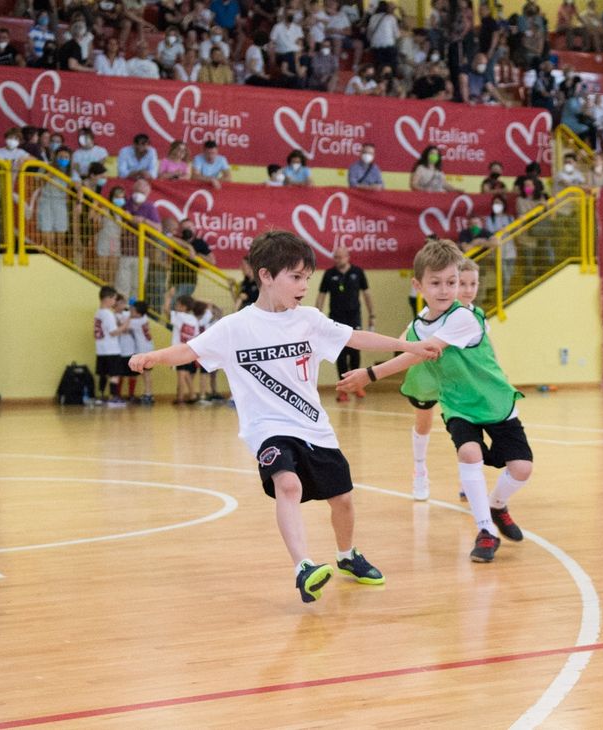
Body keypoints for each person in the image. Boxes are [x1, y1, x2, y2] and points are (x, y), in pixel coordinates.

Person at [130, 230, 440, 602]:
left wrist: (406, 345)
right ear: (265, 276)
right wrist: (153, 357)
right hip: (267, 429)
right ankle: (303, 567)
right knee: (288, 485)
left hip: (313, 425)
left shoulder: (308, 319)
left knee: (342, 499)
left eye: (307, 278)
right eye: (295, 277)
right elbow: (189, 350)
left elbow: (355, 337)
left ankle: (347, 555)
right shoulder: (235, 327)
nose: (304, 285)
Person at [338, 239, 532, 563]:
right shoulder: (417, 326)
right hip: (458, 404)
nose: (445, 290)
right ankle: (485, 530)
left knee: (522, 469)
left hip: (496, 402)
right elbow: (409, 348)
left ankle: (497, 505)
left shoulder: (464, 318)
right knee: (469, 453)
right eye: (436, 283)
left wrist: (370, 374)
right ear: (418, 285)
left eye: (452, 283)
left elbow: (419, 353)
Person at [405, 255, 482, 501]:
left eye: (473, 284)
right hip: (426, 378)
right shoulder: (428, 316)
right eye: (463, 284)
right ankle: (420, 470)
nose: (467, 290)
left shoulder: (475, 316)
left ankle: (466, 481)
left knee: (466, 430)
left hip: (459, 381)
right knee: (423, 424)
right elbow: (404, 341)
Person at [314, 245, 375, 401]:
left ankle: (357, 385)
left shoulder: (357, 272)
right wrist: (315, 316)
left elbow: (367, 294)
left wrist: (372, 315)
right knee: (339, 354)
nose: (338, 260)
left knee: (355, 352)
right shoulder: (329, 274)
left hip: (354, 317)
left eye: (341, 256)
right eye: (335, 257)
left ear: (348, 257)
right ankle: (343, 389)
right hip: (336, 318)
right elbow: (321, 296)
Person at [94, 285, 131, 405]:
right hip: (111, 349)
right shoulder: (108, 314)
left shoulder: (98, 313)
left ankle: (100, 397)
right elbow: (113, 332)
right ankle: (114, 397)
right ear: (107, 299)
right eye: (114, 299)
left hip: (101, 349)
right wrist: (125, 325)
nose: (115, 302)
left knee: (103, 374)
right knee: (115, 374)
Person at [127, 300, 155, 404]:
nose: (130, 312)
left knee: (146, 374)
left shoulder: (135, 322)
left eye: (132, 311)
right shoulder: (144, 318)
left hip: (144, 350)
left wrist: (128, 315)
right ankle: (148, 393)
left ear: (138, 313)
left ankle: (148, 394)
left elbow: (123, 324)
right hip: (148, 348)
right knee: (146, 374)